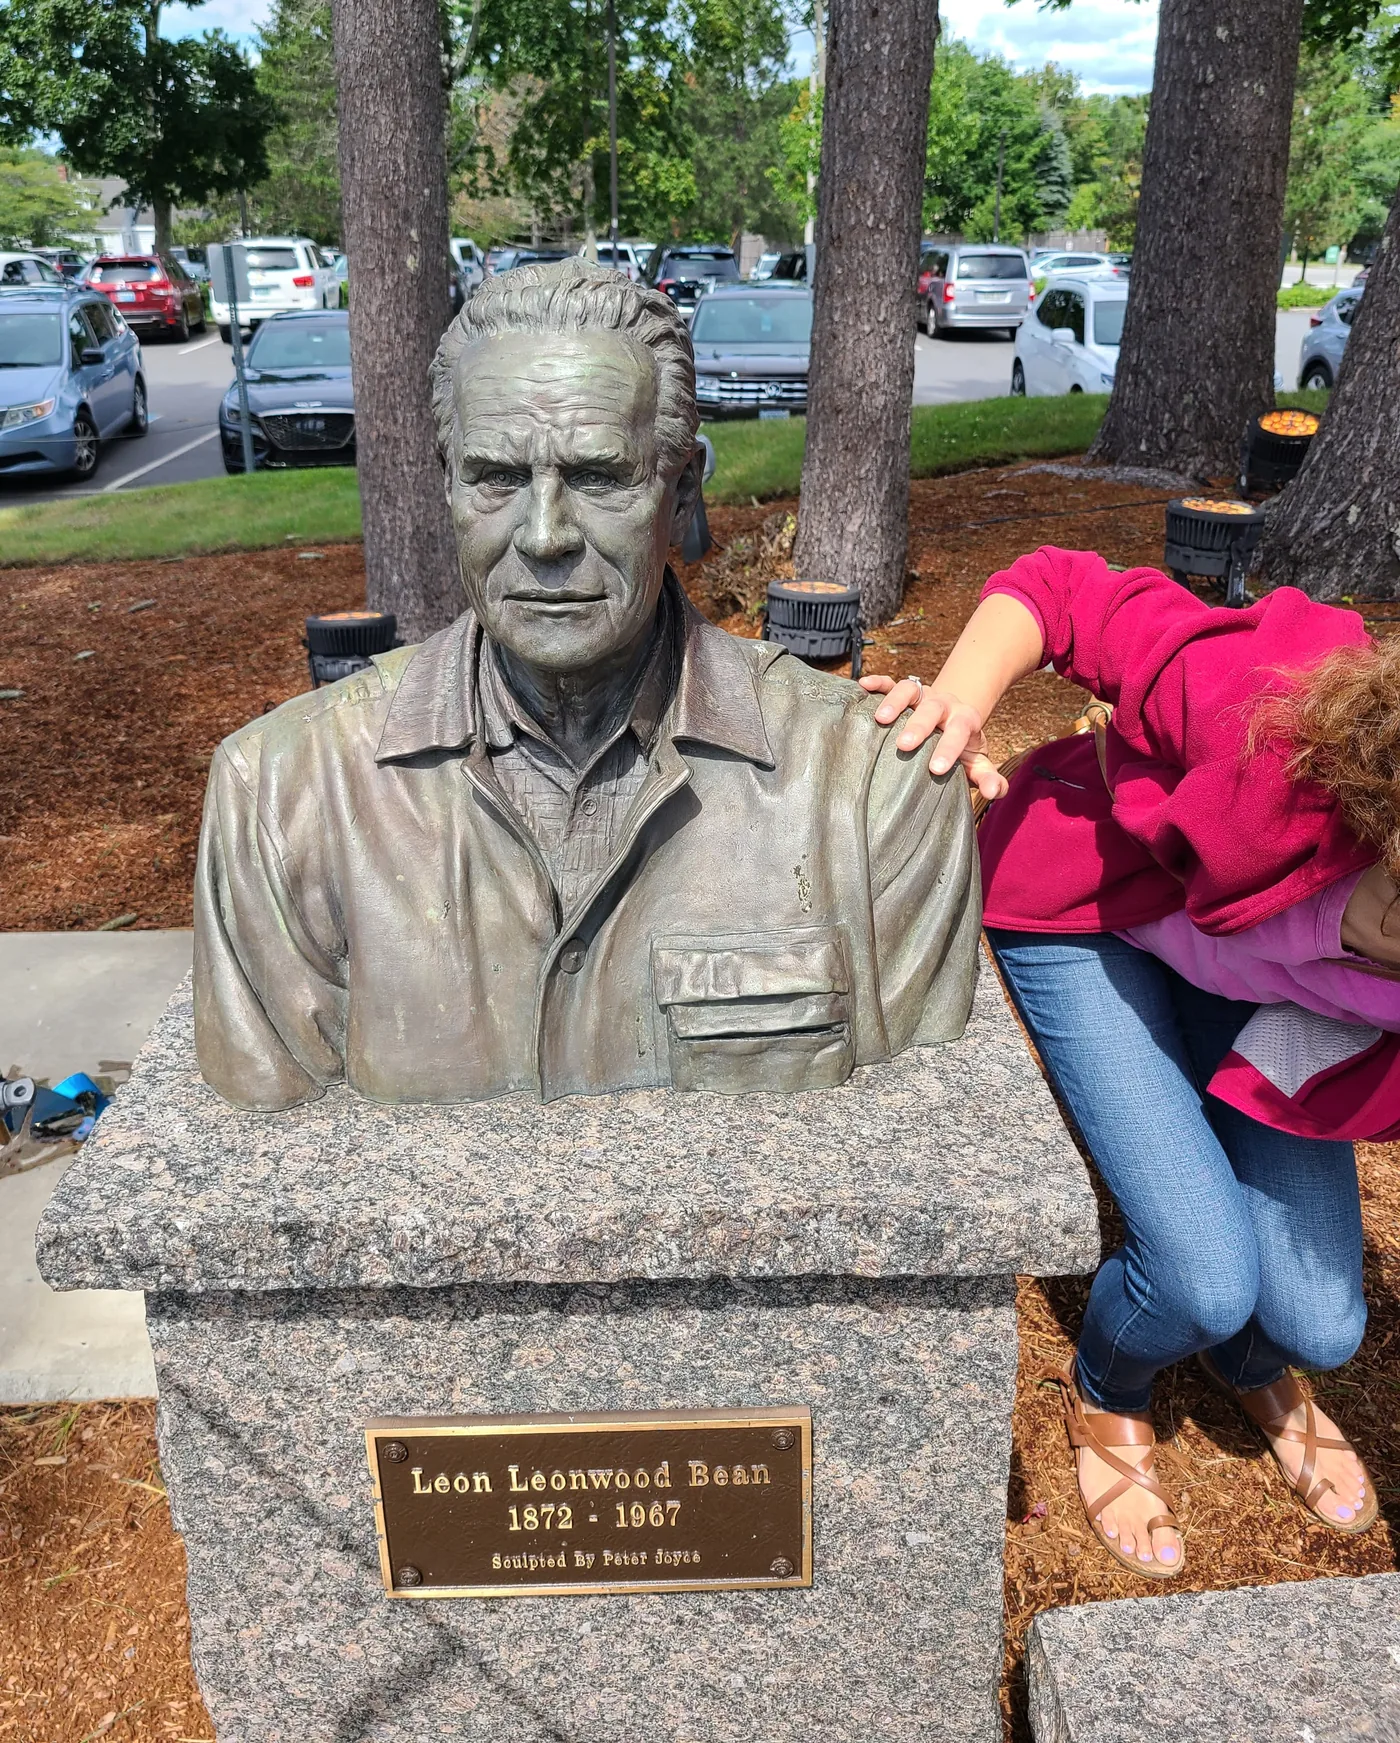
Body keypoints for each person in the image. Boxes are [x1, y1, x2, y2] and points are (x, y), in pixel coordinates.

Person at [193, 260, 980, 1109]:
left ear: (681, 495)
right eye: (495, 476)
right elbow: (273, 1154)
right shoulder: (279, 796)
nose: (543, 534)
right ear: (447, 487)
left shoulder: (877, 792)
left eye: (599, 476)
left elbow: (910, 1142)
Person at [864, 546, 1396, 1579]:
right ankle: (1108, 1389)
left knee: (1317, 1324)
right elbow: (1057, 591)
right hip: (1093, 914)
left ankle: (1247, 1356)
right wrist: (959, 712)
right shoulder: (1284, 711)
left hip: (1261, 996)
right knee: (1197, 1278)